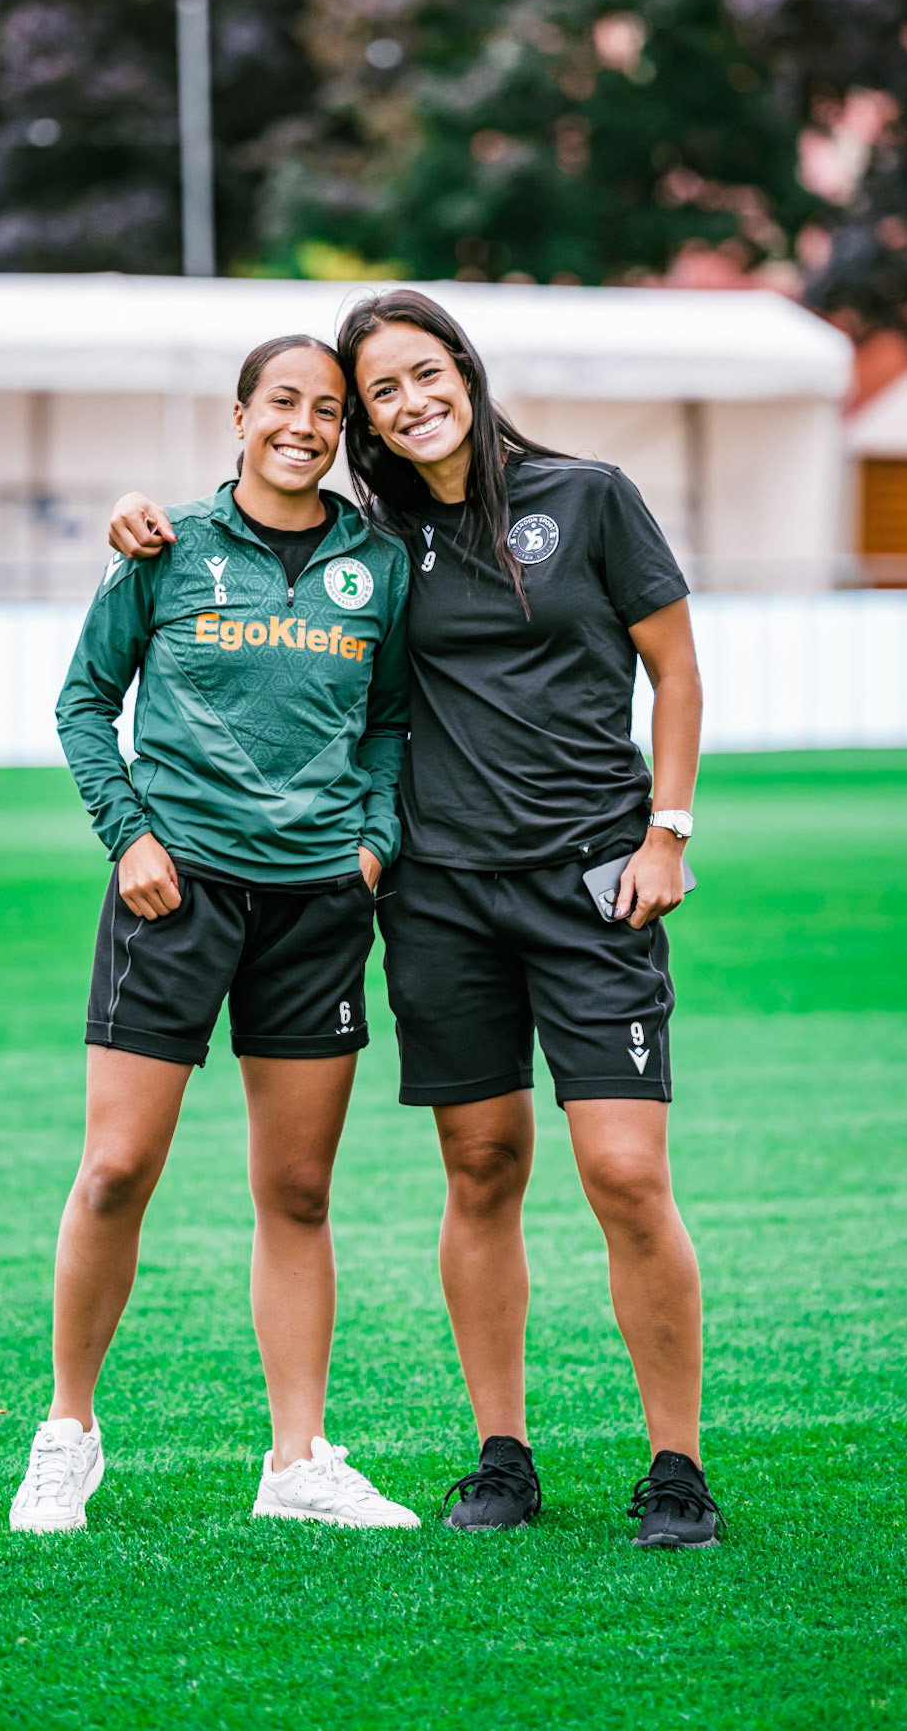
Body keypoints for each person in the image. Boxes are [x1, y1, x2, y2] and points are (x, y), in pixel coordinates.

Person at [106, 290, 725, 1550]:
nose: (408, 401)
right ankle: (503, 1455)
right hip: (441, 898)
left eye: (423, 373)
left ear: (465, 370)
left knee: (623, 1171)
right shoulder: (379, 539)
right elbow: (256, 518)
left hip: (593, 880)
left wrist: (669, 828)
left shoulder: (589, 496)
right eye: (380, 391)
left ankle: (677, 1466)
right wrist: (140, 522)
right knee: (482, 1166)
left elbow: (677, 666)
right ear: (368, 422)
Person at [10, 333, 418, 1535]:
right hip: (174, 896)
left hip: (319, 905)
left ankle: (297, 1460)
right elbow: (85, 701)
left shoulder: (377, 562)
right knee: (118, 1167)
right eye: (283, 402)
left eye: (329, 409)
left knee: (296, 1186)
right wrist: (128, 835)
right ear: (238, 415)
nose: (306, 424)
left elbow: (391, 719)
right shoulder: (166, 545)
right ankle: (68, 1433)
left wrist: (375, 840)